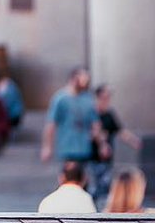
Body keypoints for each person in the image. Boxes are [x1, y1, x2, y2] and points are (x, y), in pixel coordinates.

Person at [41, 67, 107, 195]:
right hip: (68, 147)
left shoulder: (88, 99)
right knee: (68, 181)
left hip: (84, 148)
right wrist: (47, 146)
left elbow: (96, 124)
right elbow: (51, 124)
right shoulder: (60, 98)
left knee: (84, 182)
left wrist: (102, 145)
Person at [88, 84, 142, 209]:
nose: (106, 101)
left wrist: (133, 141)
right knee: (94, 188)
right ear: (98, 97)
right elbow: (93, 133)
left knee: (105, 187)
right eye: (104, 97)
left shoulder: (109, 114)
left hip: (106, 159)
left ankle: (102, 211)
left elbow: (120, 130)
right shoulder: (91, 114)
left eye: (108, 98)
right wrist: (101, 144)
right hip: (91, 158)